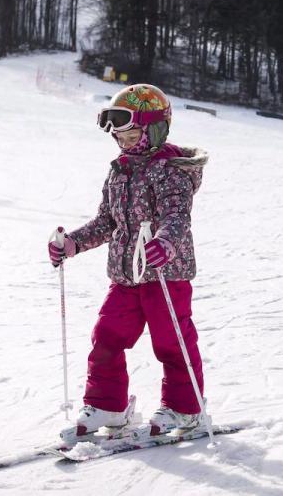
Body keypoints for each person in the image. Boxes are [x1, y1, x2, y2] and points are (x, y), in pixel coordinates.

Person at [47, 84, 209, 437]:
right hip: (126, 277)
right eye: (119, 136)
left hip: (167, 275)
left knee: (171, 341)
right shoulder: (119, 170)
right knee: (106, 336)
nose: (124, 142)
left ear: (155, 129)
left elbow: (177, 216)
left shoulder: (171, 170)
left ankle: (186, 409)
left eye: (132, 133)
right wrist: (73, 243)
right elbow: (107, 222)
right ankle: (109, 406)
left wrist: (165, 242)